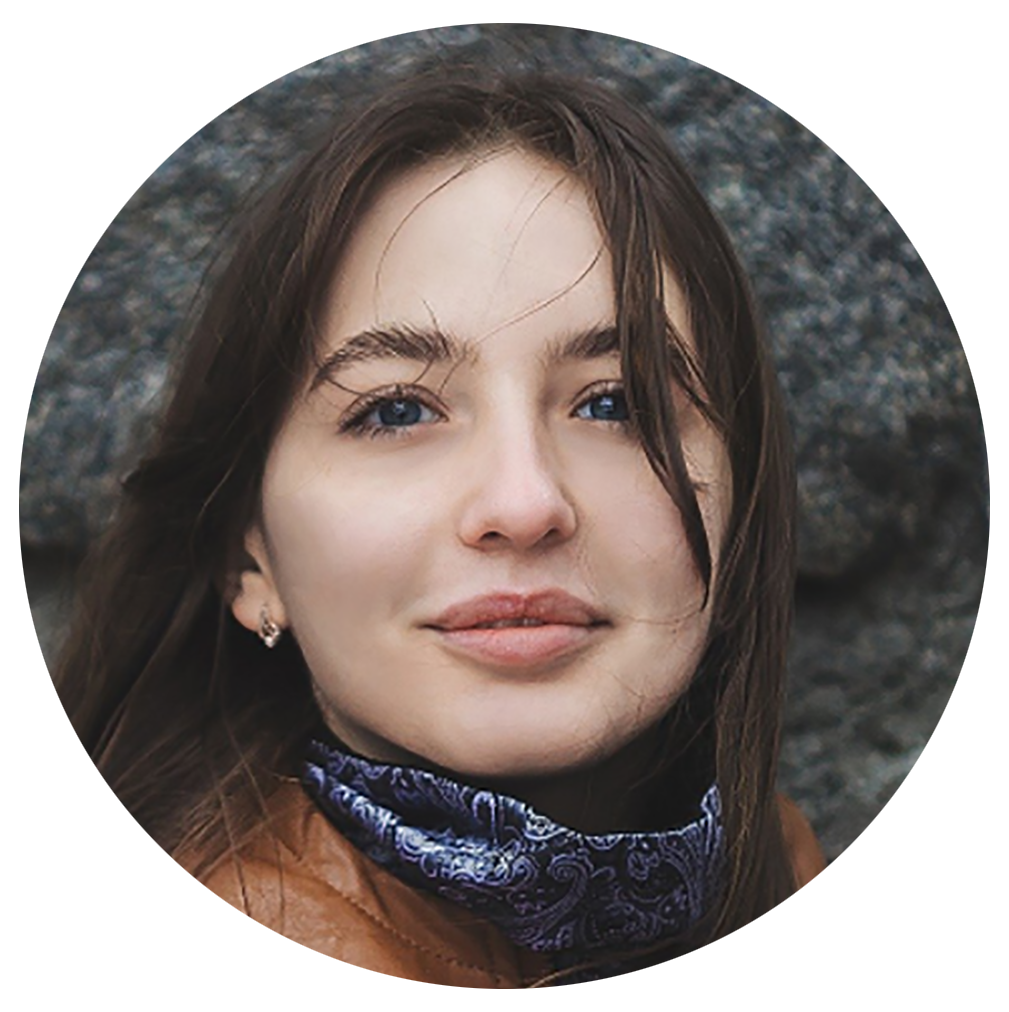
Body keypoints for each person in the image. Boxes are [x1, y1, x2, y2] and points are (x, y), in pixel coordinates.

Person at [51, 59, 826, 1010]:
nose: (523, 500)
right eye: (395, 412)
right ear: (246, 559)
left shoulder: (788, 884)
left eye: (615, 402)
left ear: (744, 494)